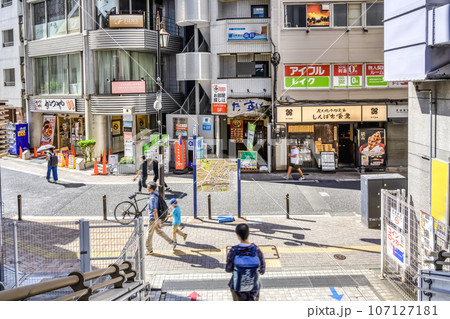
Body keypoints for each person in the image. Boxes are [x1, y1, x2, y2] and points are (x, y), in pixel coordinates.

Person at [226, 223, 265, 301]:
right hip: (253, 289)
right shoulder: (256, 250)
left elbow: (228, 269)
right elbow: (262, 270)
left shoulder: (234, 250)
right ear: (248, 234)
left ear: (238, 235)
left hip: (238, 288)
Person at [145, 182, 176, 255]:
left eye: (148, 187)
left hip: (153, 218)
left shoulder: (152, 198)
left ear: (151, 189)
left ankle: (149, 250)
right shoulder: (156, 194)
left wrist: (156, 221)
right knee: (159, 232)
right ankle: (172, 242)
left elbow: (154, 211)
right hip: (157, 217)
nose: (147, 188)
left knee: (149, 234)